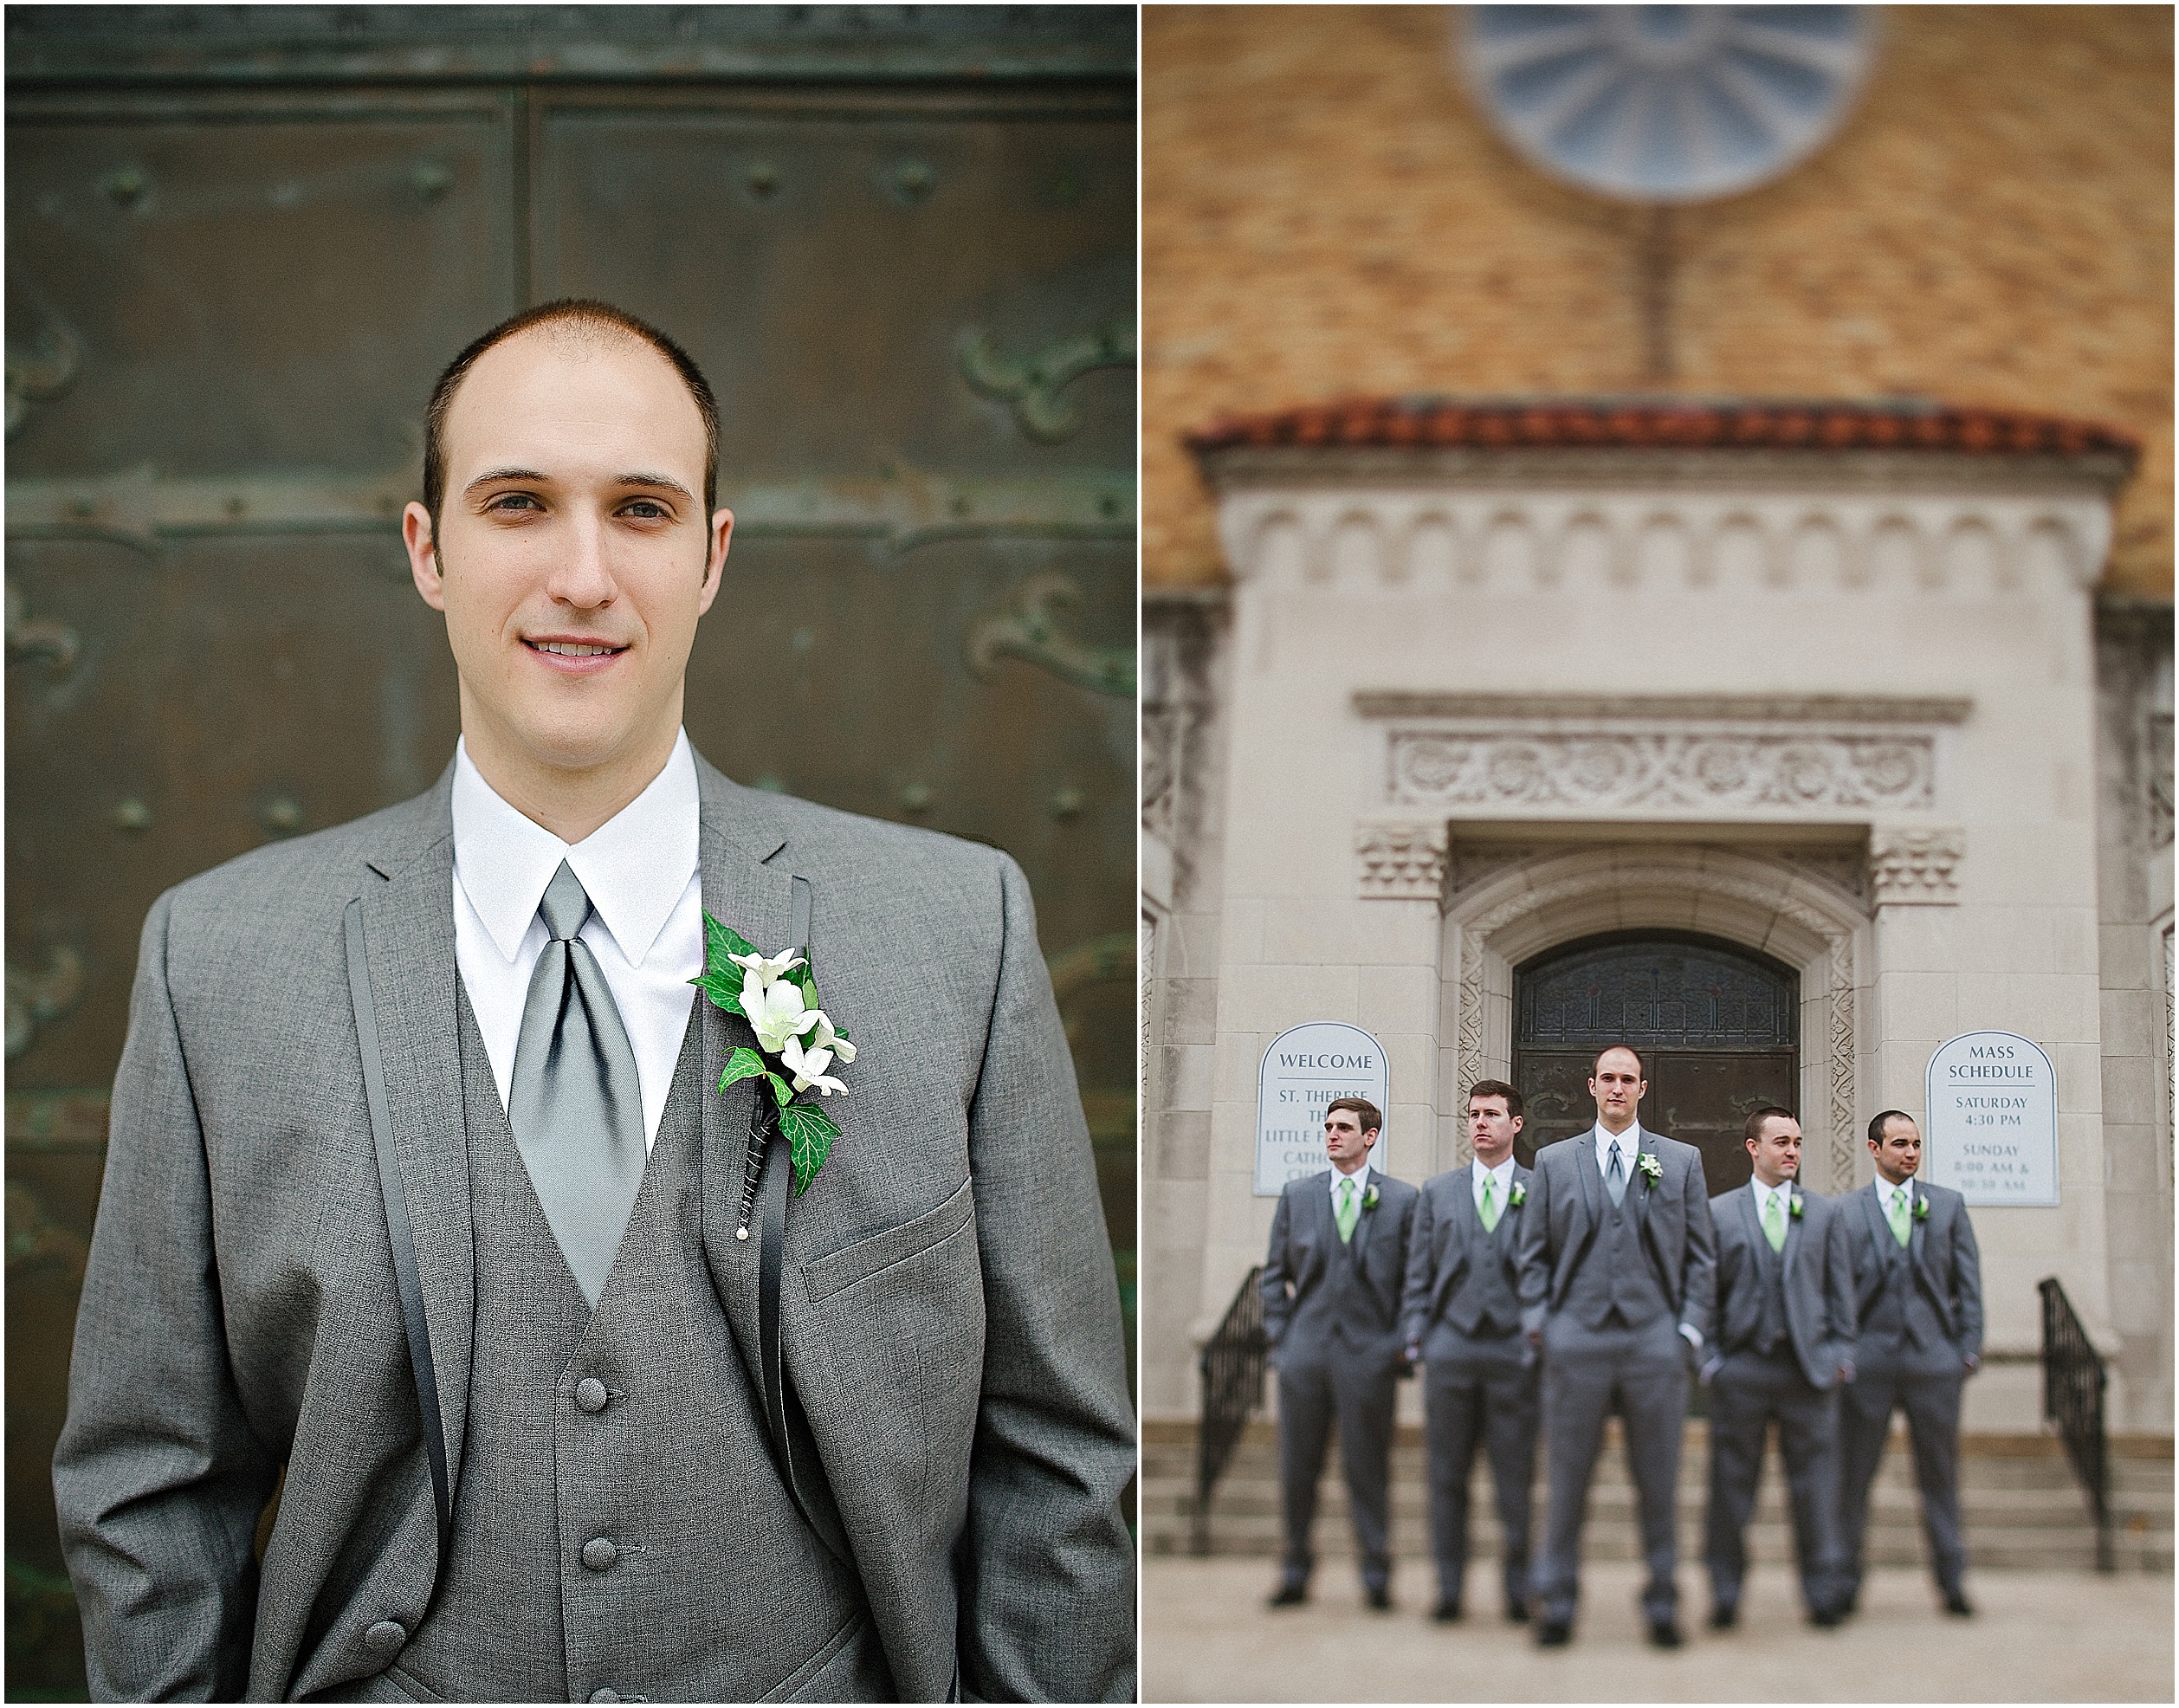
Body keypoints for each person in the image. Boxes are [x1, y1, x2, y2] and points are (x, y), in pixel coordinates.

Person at [52, 300, 1135, 1704]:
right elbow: (149, 1484)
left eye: (639, 508)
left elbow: (1056, 1461)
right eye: (517, 503)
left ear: (711, 556)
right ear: (428, 551)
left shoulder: (952, 931)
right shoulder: (217, 959)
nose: (582, 573)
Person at [1516, 1043, 1715, 1648]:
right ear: (1591, 1086)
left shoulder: (1680, 1161)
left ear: (1643, 1089)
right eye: (1608, 1078)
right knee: (1567, 1480)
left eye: (1628, 1079)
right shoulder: (1553, 1161)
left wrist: (1687, 1331)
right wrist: (1543, 1324)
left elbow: (1702, 1259)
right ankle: (1557, 1600)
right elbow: (1532, 1258)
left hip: (1654, 1343)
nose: (1618, 1088)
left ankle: (1661, 1601)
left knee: (1658, 1482)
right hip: (1575, 1340)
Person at [1699, 1106, 1856, 1631]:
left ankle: (1823, 1592)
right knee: (1730, 1489)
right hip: (1741, 1370)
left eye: (1797, 1142)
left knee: (1815, 1489)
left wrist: (1839, 1355)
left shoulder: (1825, 1214)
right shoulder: (1719, 1214)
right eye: (1781, 1142)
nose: (1791, 1151)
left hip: (1805, 1372)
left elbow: (1841, 1295)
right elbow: (1703, 1294)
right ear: (1753, 1148)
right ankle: (1724, 1592)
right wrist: (1711, 1361)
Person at [1260, 1097, 1419, 1610]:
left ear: (1370, 1137)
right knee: (1297, 1468)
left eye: (1344, 1128)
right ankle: (1295, 1570)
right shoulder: (1297, 1195)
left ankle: (1376, 1572)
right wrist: (1282, 1341)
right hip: (1304, 1356)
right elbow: (1272, 1278)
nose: (1332, 1135)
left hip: (1370, 1355)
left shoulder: (1401, 1200)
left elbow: (1417, 1279)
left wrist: (1399, 1343)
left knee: (1367, 1467)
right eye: (1328, 1127)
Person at [1400, 1080, 1538, 1625]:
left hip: (1513, 1353)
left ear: (1516, 1124)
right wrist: (1419, 1336)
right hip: (1451, 1349)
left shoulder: (1540, 1188)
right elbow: (1418, 1274)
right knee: (1447, 1475)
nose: (1480, 1123)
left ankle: (1518, 1589)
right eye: (1473, 1114)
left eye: (1492, 1115)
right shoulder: (1437, 1192)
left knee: (1515, 1477)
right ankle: (1450, 1589)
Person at [1837, 1110, 1983, 1619]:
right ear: (1875, 1149)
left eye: (1916, 1144)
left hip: (1933, 1363)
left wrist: (1965, 1351)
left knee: (1940, 1476)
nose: (1910, 1153)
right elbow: (1835, 1292)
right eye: (1899, 1143)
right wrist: (1842, 1354)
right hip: (1868, 1364)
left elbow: (1969, 1284)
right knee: (1854, 1477)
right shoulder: (1847, 1213)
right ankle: (1843, 1582)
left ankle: (1952, 1582)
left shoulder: (1946, 1206)